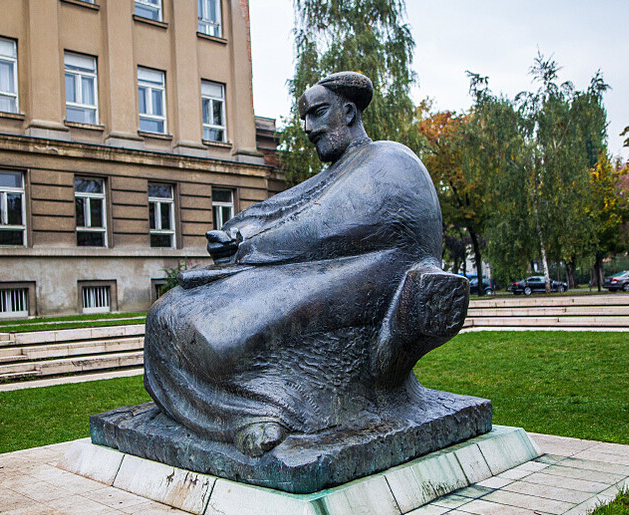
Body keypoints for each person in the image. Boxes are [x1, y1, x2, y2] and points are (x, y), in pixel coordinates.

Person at [143, 71, 450, 457]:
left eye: (318, 113)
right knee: (168, 313)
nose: (308, 128)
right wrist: (238, 231)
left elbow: (323, 225)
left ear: (350, 111)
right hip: (322, 270)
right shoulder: (337, 171)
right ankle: (247, 413)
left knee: (214, 333)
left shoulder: (389, 159)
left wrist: (247, 246)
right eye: (304, 118)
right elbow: (285, 206)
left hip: (375, 277)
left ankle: (274, 410)